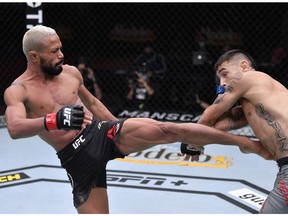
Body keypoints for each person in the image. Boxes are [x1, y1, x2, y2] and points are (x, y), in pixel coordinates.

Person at [4, 26, 272, 214]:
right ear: (34, 57)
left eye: (61, 48)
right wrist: (54, 120)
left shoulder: (71, 73)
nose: (61, 55)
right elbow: (15, 128)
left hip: (100, 132)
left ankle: (246, 142)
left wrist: (114, 127)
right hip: (76, 158)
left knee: (168, 129)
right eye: (54, 51)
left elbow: (93, 103)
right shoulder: (19, 90)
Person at [186, 49, 288, 213]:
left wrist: (193, 141)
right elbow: (219, 124)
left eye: (224, 74)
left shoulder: (248, 78)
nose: (222, 83)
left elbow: (209, 116)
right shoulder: (257, 105)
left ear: (245, 66)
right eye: (219, 78)